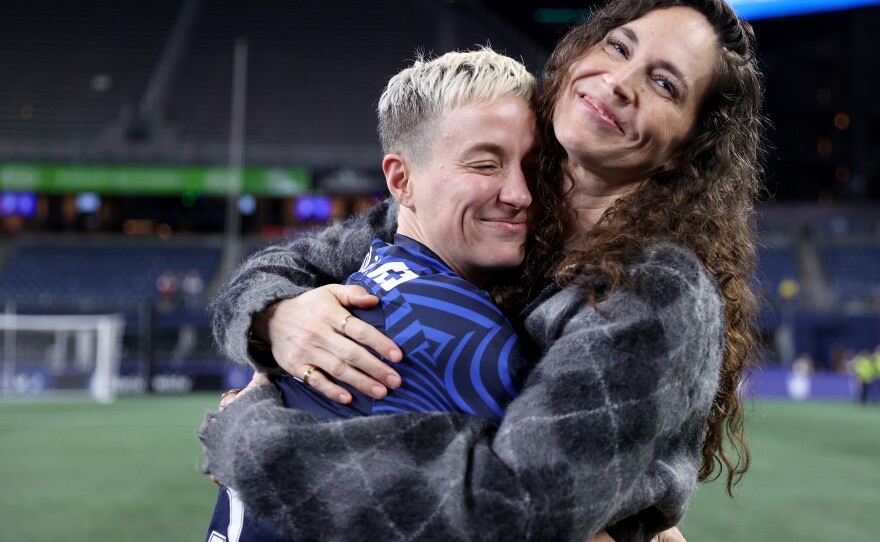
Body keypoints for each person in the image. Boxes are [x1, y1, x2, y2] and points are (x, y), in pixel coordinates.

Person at [200, 0, 764, 540]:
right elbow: (282, 266)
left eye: (664, 84)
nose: (621, 81)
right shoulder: (504, 209)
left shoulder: (658, 287)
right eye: (619, 46)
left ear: (683, 151)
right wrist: (276, 317)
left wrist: (252, 441)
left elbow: (512, 512)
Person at [204, 48, 539, 542]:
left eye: (533, 166)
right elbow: (553, 510)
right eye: (485, 164)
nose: (522, 193)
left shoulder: (364, 276)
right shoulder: (457, 331)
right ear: (401, 180)